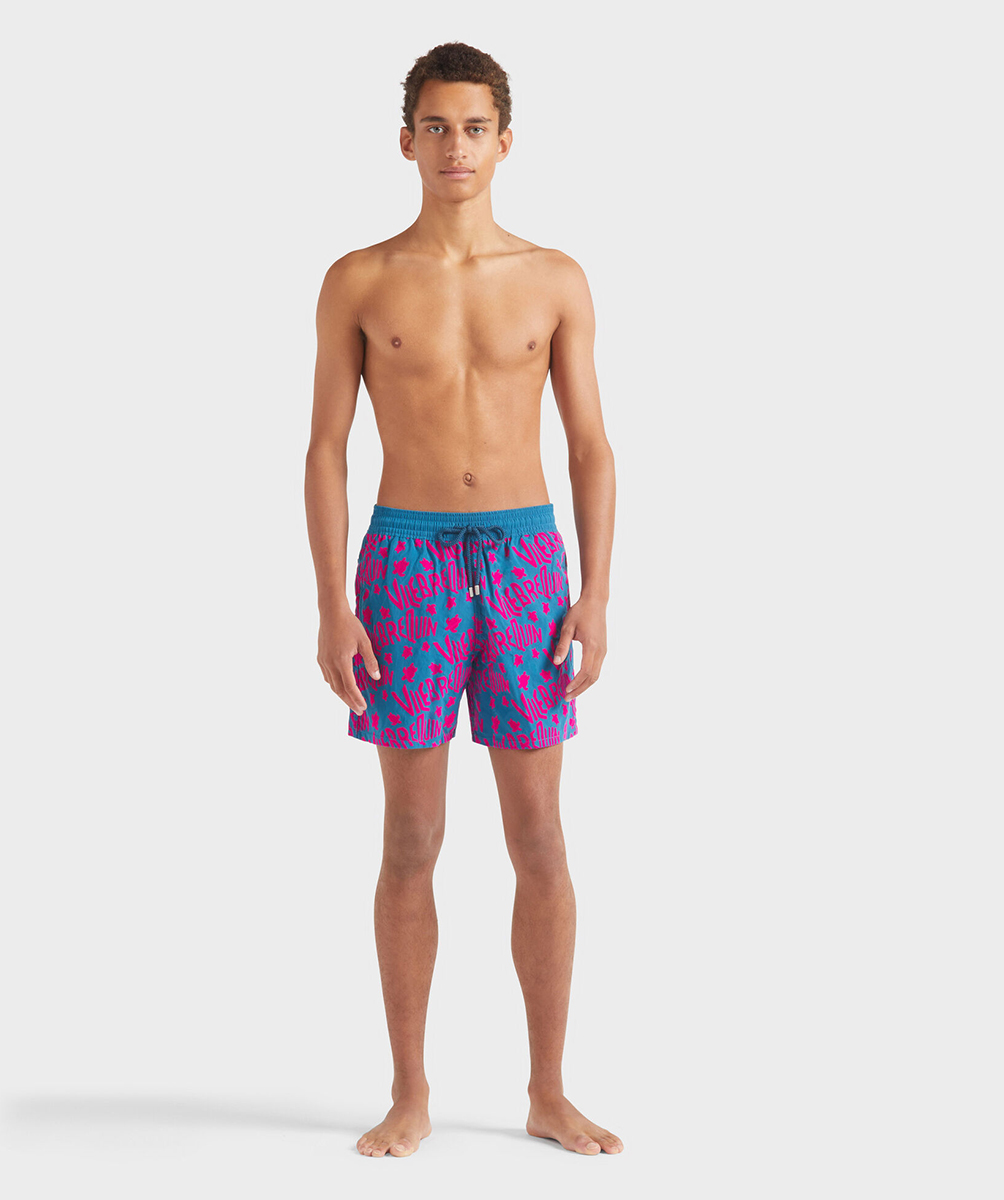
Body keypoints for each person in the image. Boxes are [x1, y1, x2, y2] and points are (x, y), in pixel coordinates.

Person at [304, 42, 619, 1159]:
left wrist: (596, 594)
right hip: (406, 564)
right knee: (412, 836)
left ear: (505, 141)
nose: (455, 147)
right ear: (406, 141)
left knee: (540, 837)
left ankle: (548, 1090)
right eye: (435, 127)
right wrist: (332, 604)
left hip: (528, 565)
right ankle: (409, 1092)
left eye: (474, 128)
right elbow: (326, 449)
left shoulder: (554, 278)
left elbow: (590, 445)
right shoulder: (360, 279)